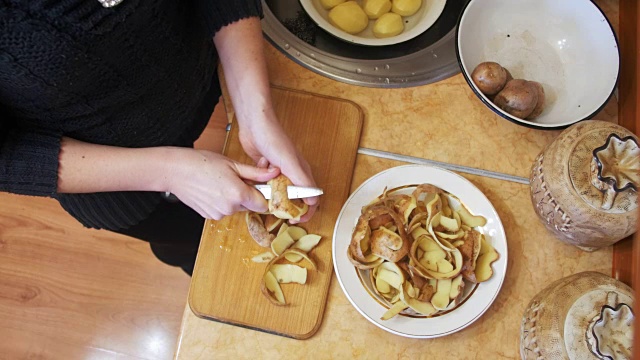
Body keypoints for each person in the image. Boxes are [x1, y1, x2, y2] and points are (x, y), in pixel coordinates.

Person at [0, 0, 318, 275]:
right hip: (107, 178)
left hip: (194, 80)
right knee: (182, 239)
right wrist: (168, 171)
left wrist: (253, 112)